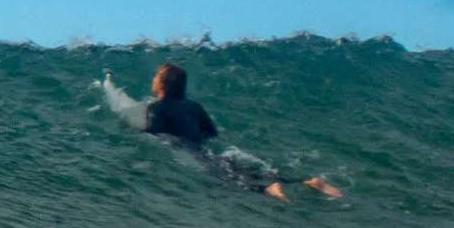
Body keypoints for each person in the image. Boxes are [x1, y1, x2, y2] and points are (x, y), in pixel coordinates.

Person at [143, 62, 340, 202]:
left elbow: (155, 135)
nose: (153, 79)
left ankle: (268, 189)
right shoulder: (195, 107)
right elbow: (211, 133)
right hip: (209, 152)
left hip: (193, 154)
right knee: (249, 171)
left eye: (156, 76)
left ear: (163, 83)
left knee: (230, 182)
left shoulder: (156, 108)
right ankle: (308, 181)